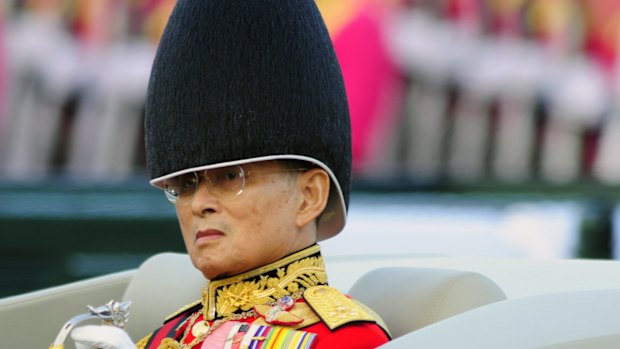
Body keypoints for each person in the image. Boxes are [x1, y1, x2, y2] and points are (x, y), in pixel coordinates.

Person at [70, 0, 391, 348]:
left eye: (230, 177)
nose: (199, 204)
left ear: (309, 197)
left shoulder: (344, 339)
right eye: (187, 184)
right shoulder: (170, 332)